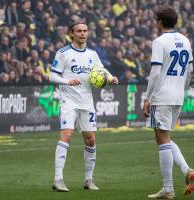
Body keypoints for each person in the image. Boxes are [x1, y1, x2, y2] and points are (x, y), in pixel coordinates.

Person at [49, 21, 119, 192]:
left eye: (85, 31)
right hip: (69, 101)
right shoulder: (63, 53)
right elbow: (52, 76)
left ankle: (89, 179)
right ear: (71, 33)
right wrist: (67, 81)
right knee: (66, 135)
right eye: (79, 31)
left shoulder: (92, 54)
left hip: (86, 102)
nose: (82, 33)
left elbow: (101, 70)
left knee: (91, 139)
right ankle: (58, 179)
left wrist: (110, 78)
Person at [142, 7, 194, 199]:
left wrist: (147, 98)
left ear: (159, 21)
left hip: (162, 96)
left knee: (162, 139)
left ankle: (168, 188)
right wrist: (182, 90)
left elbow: (155, 72)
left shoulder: (159, 42)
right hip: (178, 95)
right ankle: (186, 170)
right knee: (163, 138)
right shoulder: (185, 40)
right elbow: (190, 71)